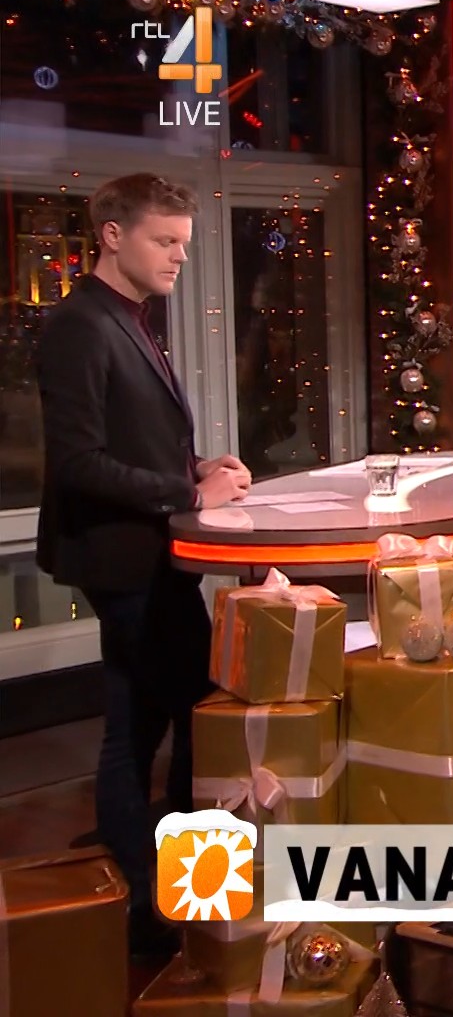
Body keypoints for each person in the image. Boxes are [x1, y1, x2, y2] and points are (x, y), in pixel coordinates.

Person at [35, 173, 253, 955]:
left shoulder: (127, 316)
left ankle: (149, 897)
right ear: (113, 235)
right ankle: (166, 901)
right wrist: (187, 494)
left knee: (142, 723)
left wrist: (196, 466)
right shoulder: (79, 325)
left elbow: (133, 436)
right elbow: (78, 464)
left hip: (150, 558)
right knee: (189, 716)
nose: (178, 258)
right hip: (122, 559)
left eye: (183, 245)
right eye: (165, 242)